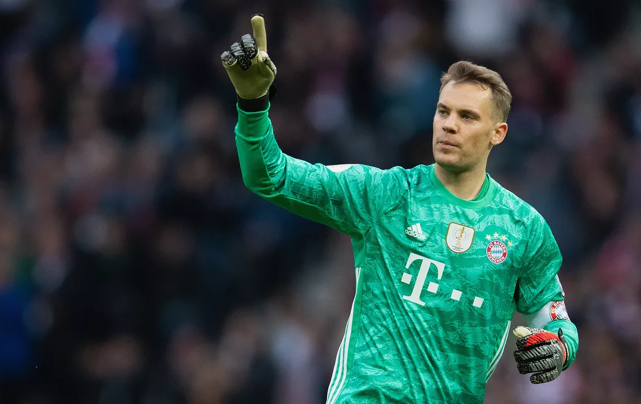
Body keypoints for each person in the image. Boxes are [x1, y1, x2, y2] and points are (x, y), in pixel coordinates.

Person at [222, 15, 580, 404]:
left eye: (467, 116)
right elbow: (270, 175)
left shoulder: (523, 228)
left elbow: (553, 318)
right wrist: (253, 103)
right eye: (443, 111)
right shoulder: (384, 194)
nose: (449, 125)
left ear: (498, 133)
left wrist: (557, 347)